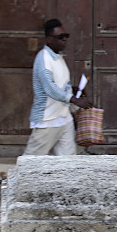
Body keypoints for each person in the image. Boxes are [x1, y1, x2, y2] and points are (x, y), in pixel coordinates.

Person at [24, 18, 90, 156]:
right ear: (49, 39)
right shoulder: (44, 59)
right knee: (31, 162)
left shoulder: (58, 58)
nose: (64, 40)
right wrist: (74, 100)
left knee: (67, 162)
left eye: (66, 36)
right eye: (60, 37)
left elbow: (60, 84)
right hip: (47, 119)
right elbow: (50, 88)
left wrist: (74, 89)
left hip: (63, 118)